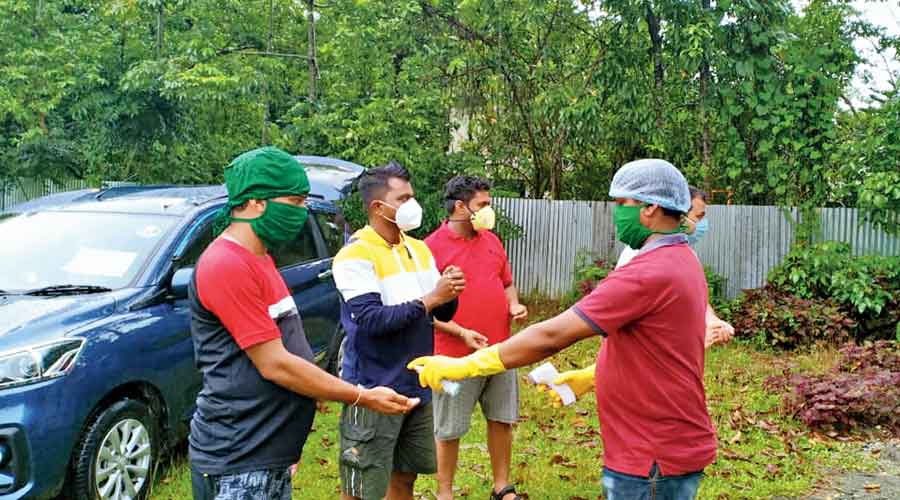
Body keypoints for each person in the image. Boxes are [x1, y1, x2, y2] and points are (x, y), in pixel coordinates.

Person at [409, 159, 718, 500]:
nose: (616, 213)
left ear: (650, 208)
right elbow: (657, 351)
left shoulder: (649, 271)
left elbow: (552, 336)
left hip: (652, 454)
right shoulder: (681, 258)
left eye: (621, 204)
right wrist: (593, 375)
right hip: (662, 443)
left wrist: (463, 365)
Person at [188, 147, 418, 500]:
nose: (302, 211)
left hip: (267, 452)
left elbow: (284, 340)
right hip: (242, 456)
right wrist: (360, 395)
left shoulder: (260, 257)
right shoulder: (226, 264)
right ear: (256, 203)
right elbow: (274, 363)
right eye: (295, 201)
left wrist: (315, 388)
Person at [332, 161, 465, 500]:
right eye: (403, 198)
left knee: (404, 479)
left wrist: (449, 291)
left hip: (416, 385)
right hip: (373, 388)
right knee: (361, 487)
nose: (413, 205)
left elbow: (437, 309)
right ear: (378, 207)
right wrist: (431, 298)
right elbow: (372, 320)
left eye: (412, 197)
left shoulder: (417, 248)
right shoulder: (355, 255)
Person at [424, 176, 528, 500]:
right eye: (482, 204)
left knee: (501, 418)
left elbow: (507, 282)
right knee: (449, 427)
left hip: (501, 350)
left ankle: (501, 486)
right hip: (454, 359)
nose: (488, 210)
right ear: (460, 206)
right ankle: (445, 492)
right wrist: (461, 332)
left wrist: (514, 304)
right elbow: (422, 308)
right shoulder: (430, 248)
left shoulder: (492, 241)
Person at [615, 185, 734, 349]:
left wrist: (712, 321)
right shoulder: (639, 255)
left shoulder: (686, 254)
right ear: (680, 216)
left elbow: (694, 295)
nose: (701, 224)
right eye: (698, 217)